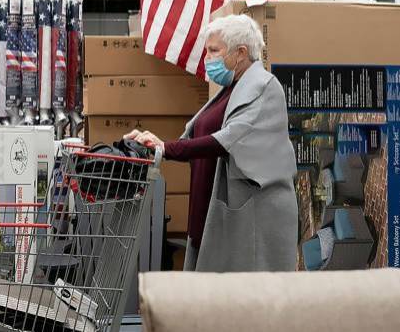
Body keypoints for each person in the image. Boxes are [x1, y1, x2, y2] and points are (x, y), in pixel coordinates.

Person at [125, 14, 297, 272]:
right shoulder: (231, 89)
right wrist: (157, 144)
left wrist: (166, 148)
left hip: (250, 218)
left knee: (241, 301)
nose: (208, 58)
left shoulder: (264, 87)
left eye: (214, 50)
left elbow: (226, 139)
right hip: (210, 211)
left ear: (240, 53)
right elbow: (197, 135)